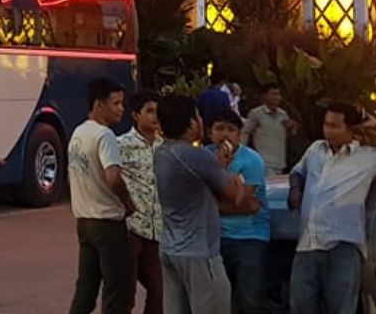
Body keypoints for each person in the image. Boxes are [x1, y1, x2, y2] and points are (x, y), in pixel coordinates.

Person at [287, 102, 376, 314]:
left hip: (343, 246)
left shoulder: (368, 157)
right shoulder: (316, 150)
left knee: (342, 308)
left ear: (351, 129)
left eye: (335, 126)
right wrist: (295, 190)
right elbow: (298, 171)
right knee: (300, 306)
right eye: (326, 125)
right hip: (308, 244)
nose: (328, 131)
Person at [152, 94, 250, 314]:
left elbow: (196, 181)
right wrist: (237, 182)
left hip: (170, 247)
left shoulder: (161, 152)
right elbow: (234, 194)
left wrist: (218, 168)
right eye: (197, 115)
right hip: (199, 254)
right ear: (191, 123)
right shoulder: (195, 155)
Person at [70, 78, 136, 314]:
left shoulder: (78, 133)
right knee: (118, 291)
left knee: (86, 288)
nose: (121, 108)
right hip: (107, 221)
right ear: (99, 104)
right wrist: (127, 202)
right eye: (116, 103)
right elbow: (113, 177)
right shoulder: (104, 135)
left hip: (84, 221)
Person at [209, 112, 272, 314]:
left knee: (249, 301)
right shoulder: (204, 156)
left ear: (239, 135)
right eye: (220, 128)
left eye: (231, 129)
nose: (225, 135)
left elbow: (246, 204)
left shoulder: (252, 160)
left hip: (249, 237)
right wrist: (219, 167)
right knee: (218, 301)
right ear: (210, 132)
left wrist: (209, 207)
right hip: (215, 239)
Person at [117, 92, 166, 314]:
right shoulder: (120, 145)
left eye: (157, 111)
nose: (154, 116)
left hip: (157, 229)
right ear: (136, 115)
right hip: (131, 227)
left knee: (159, 289)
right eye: (149, 111)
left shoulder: (164, 147)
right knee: (125, 293)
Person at [241, 84, 298, 174]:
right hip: (264, 163)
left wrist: (292, 128)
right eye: (274, 94)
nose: (277, 97)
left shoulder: (283, 114)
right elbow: (245, 133)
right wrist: (241, 153)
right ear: (265, 96)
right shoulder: (256, 113)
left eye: (278, 94)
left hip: (280, 163)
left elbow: (287, 136)